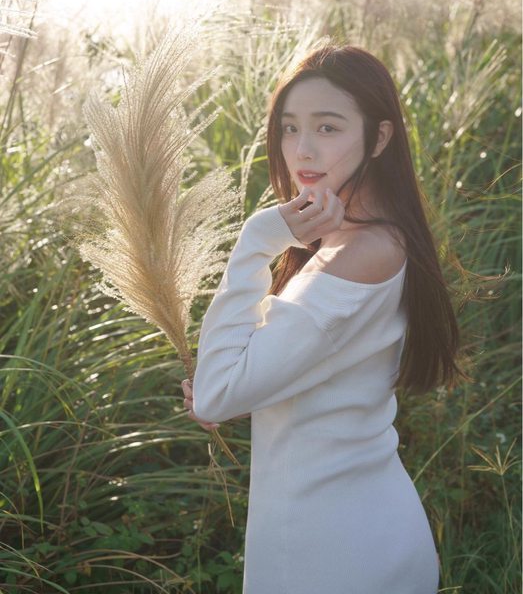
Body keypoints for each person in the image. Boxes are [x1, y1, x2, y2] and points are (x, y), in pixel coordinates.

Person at [181, 43, 464, 594]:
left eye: (328, 128)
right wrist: (244, 384)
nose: (302, 150)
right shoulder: (357, 240)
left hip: (330, 551)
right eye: (290, 128)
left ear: (379, 138)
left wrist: (256, 240)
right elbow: (276, 378)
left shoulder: (357, 255)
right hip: (355, 531)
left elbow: (215, 398)